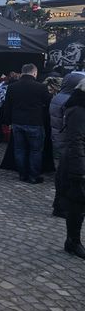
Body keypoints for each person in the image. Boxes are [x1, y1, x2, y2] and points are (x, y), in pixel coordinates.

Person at [3, 63, 52, 184]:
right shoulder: (40, 87)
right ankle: (33, 176)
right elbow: (49, 102)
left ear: (22, 72)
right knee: (35, 150)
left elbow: (7, 106)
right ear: (34, 73)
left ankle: (22, 174)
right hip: (35, 122)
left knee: (19, 149)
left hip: (17, 122)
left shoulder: (12, 87)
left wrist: (7, 121)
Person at [51, 72, 85, 217]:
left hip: (61, 138)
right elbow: (76, 138)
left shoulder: (60, 98)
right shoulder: (76, 108)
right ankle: (63, 208)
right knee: (68, 182)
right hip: (72, 149)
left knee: (63, 179)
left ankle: (61, 206)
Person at [62, 79, 85, 259]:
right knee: (77, 204)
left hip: (77, 160)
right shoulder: (77, 111)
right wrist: (79, 170)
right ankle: (73, 240)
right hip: (77, 163)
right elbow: (75, 140)